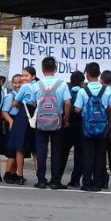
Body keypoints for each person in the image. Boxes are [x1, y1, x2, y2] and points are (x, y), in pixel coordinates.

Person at [74, 62, 111, 192]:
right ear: (99, 74)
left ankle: (86, 183)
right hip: (102, 127)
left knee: (87, 154)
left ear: (86, 75)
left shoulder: (82, 91)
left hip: (87, 127)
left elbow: (77, 109)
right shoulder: (107, 90)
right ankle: (98, 183)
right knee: (100, 155)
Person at [32, 57, 71, 190]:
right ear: (55, 68)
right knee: (57, 152)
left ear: (42, 70)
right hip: (57, 121)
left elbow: (33, 102)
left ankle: (41, 180)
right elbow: (67, 103)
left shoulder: (37, 85)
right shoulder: (62, 84)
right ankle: (55, 181)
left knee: (41, 151)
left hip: (41, 121)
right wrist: (66, 119)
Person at [10, 66, 38, 185]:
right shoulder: (39, 86)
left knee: (20, 148)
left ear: (33, 76)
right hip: (36, 117)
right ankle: (40, 176)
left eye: (26, 76)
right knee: (36, 149)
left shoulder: (25, 86)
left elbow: (15, 103)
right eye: (22, 75)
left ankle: (20, 175)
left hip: (23, 117)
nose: (23, 78)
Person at [64, 71, 85, 188]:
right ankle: (75, 179)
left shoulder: (67, 91)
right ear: (82, 82)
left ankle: (56, 178)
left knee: (63, 152)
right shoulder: (84, 92)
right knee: (79, 154)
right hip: (81, 126)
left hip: (67, 125)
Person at [1, 74, 21, 183]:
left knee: (18, 150)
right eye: (15, 82)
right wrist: (11, 121)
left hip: (21, 123)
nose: (17, 85)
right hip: (13, 123)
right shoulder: (10, 96)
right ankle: (7, 173)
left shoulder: (24, 95)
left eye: (19, 82)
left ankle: (14, 173)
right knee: (12, 151)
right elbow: (4, 111)